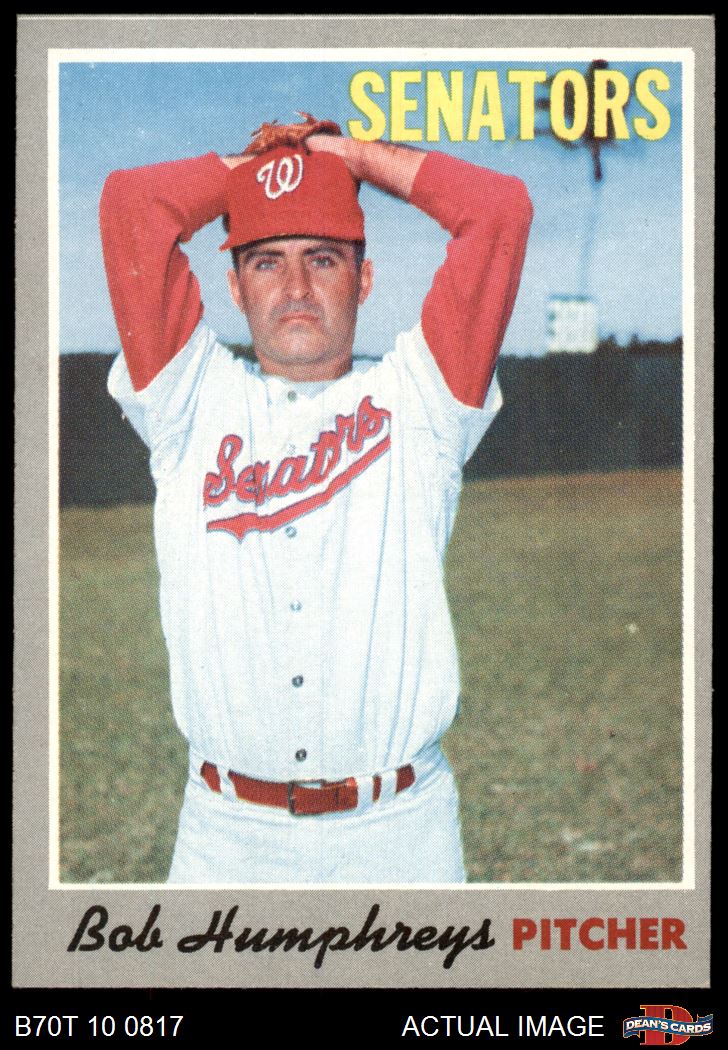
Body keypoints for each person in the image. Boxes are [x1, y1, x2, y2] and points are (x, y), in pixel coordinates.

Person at [99, 116, 532, 884]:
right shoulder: (187, 398)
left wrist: (353, 157)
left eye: (323, 259)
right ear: (234, 287)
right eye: (267, 262)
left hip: (400, 836)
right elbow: (133, 206)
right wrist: (258, 163)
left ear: (363, 280)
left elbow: (497, 211)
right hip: (226, 839)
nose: (296, 289)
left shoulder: (423, 397)